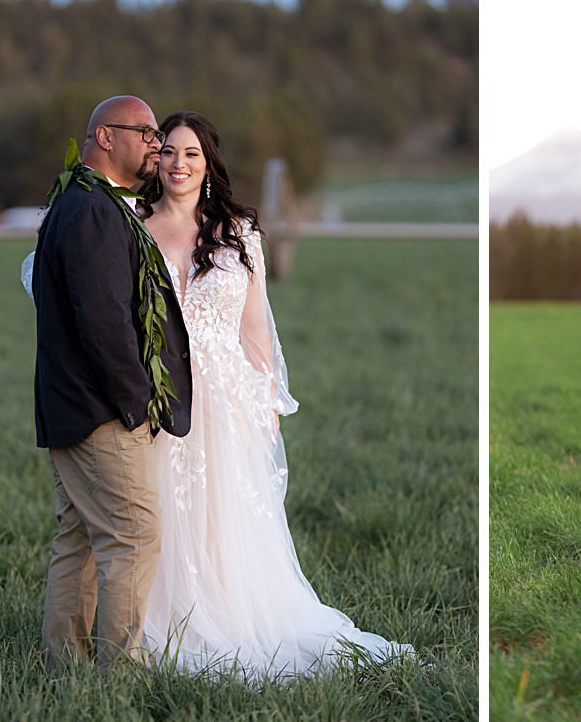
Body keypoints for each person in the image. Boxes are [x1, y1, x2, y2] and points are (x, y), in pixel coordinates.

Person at [137, 110, 411, 676]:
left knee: (224, 515)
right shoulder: (134, 227)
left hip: (225, 395)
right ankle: (168, 618)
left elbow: (256, 328)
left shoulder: (238, 234)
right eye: (168, 151)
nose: (178, 163)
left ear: (208, 163)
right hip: (161, 393)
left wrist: (268, 401)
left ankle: (231, 613)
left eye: (190, 153)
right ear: (155, 160)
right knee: (167, 511)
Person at [33, 95, 193, 672]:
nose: (157, 144)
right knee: (133, 537)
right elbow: (103, 322)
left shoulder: (86, 205)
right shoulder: (93, 212)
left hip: (71, 406)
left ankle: (64, 669)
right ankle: (118, 676)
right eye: (146, 133)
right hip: (100, 410)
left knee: (77, 540)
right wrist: (137, 404)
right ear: (105, 136)